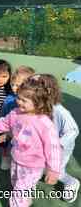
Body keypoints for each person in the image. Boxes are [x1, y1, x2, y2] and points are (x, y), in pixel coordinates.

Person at [0, 77, 61, 207]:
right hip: (16, 158)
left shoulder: (44, 123)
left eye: (24, 100)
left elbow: (53, 148)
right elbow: (3, 123)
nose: (19, 102)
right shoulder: (16, 113)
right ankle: (25, 198)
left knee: (18, 194)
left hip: (33, 166)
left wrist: (54, 170)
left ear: (38, 103)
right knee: (16, 183)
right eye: (19, 97)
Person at [36, 74, 80, 203]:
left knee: (57, 171)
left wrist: (57, 145)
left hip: (59, 149)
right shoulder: (37, 105)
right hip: (43, 145)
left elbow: (73, 130)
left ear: (48, 91)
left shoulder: (60, 112)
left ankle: (71, 182)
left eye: (35, 87)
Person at [0, 65, 35, 170]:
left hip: (23, 132)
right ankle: (6, 158)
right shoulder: (9, 99)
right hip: (10, 129)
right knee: (7, 145)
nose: (13, 88)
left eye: (18, 85)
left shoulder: (32, 101)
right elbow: (3, 114)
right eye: (12, 84)